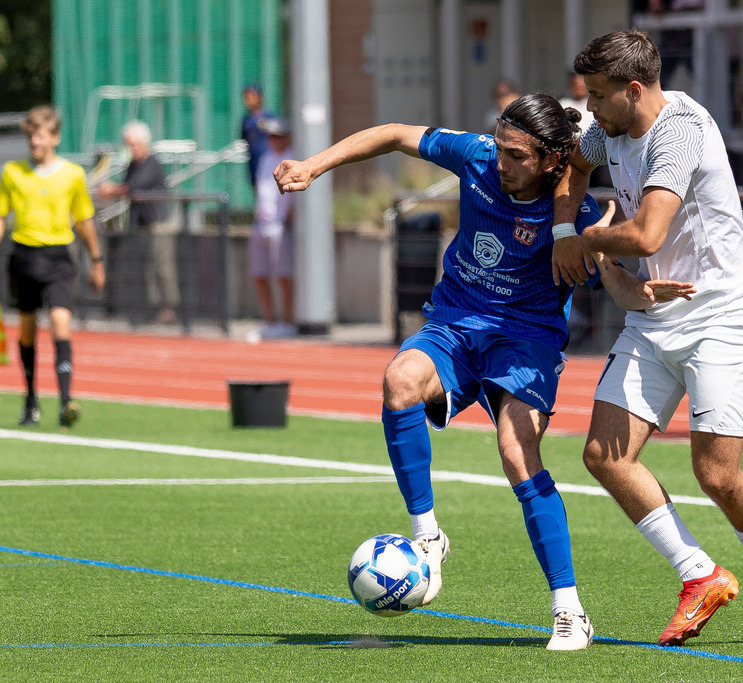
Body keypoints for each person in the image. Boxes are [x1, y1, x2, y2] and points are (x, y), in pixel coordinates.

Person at [275, 93, 694, 650]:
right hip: (455, 324)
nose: (501, 162)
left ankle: (569, 609)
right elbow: (395, 132)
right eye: (499, 147)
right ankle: (428, 537)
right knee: (399, 381)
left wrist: (640, 293)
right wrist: (312, 166)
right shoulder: (475, 158)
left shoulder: (578, 218)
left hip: (526, 342)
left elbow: (612, 282)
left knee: (517, 454)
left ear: (551, 160)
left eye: (516, 155)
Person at [552, 30, 743, 646]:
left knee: (717, 476)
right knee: (604, 454)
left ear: (635, 90)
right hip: (656, 314)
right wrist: (560, 231)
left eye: (599, 97)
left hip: (722, 318)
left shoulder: (679, 130)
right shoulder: (609, 128)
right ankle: (699, 574)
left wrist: (588, 241)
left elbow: (649, 234)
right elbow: (577, 162)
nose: (590, 111)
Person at [0, 105, 105, 428]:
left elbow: (84, 219)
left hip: (59, 257)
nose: (35, 142)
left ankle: (65, 402)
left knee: (61, 323)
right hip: (23, 257)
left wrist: (97, 261)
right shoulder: (12, 172)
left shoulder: (73, 174)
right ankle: (31, 400)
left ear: (55, 138)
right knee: (28, 331)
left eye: (41, 136)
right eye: (31, 136)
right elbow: (1, 216)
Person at [97, 120, 179, 325]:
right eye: (128, 144)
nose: (130, 148)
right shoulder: (133, 164)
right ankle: (154, 308)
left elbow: (132, 187)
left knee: (163, 267)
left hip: (158, 223)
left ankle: (169, 309)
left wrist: (111, 190)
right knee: (149, 268)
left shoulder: (152, 163)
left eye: (134, 144)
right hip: (142, 223)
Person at [251, 117, 296, 339]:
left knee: (282, 275)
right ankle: (269, 320)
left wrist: (287, 219)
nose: (273, 140)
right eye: (271, 136)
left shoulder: (294, 157)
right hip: (261, 222)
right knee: (259, 274)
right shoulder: (266, 158)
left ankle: (287, 321)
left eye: (277, 136)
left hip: (280, 225)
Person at [240, 82, 275, 188]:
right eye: (246, 97)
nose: (248, 100)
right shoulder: (246, 120)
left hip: (269, 163)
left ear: (259, 97)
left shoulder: (269, 117)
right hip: (254, 163)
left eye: (252, 96)